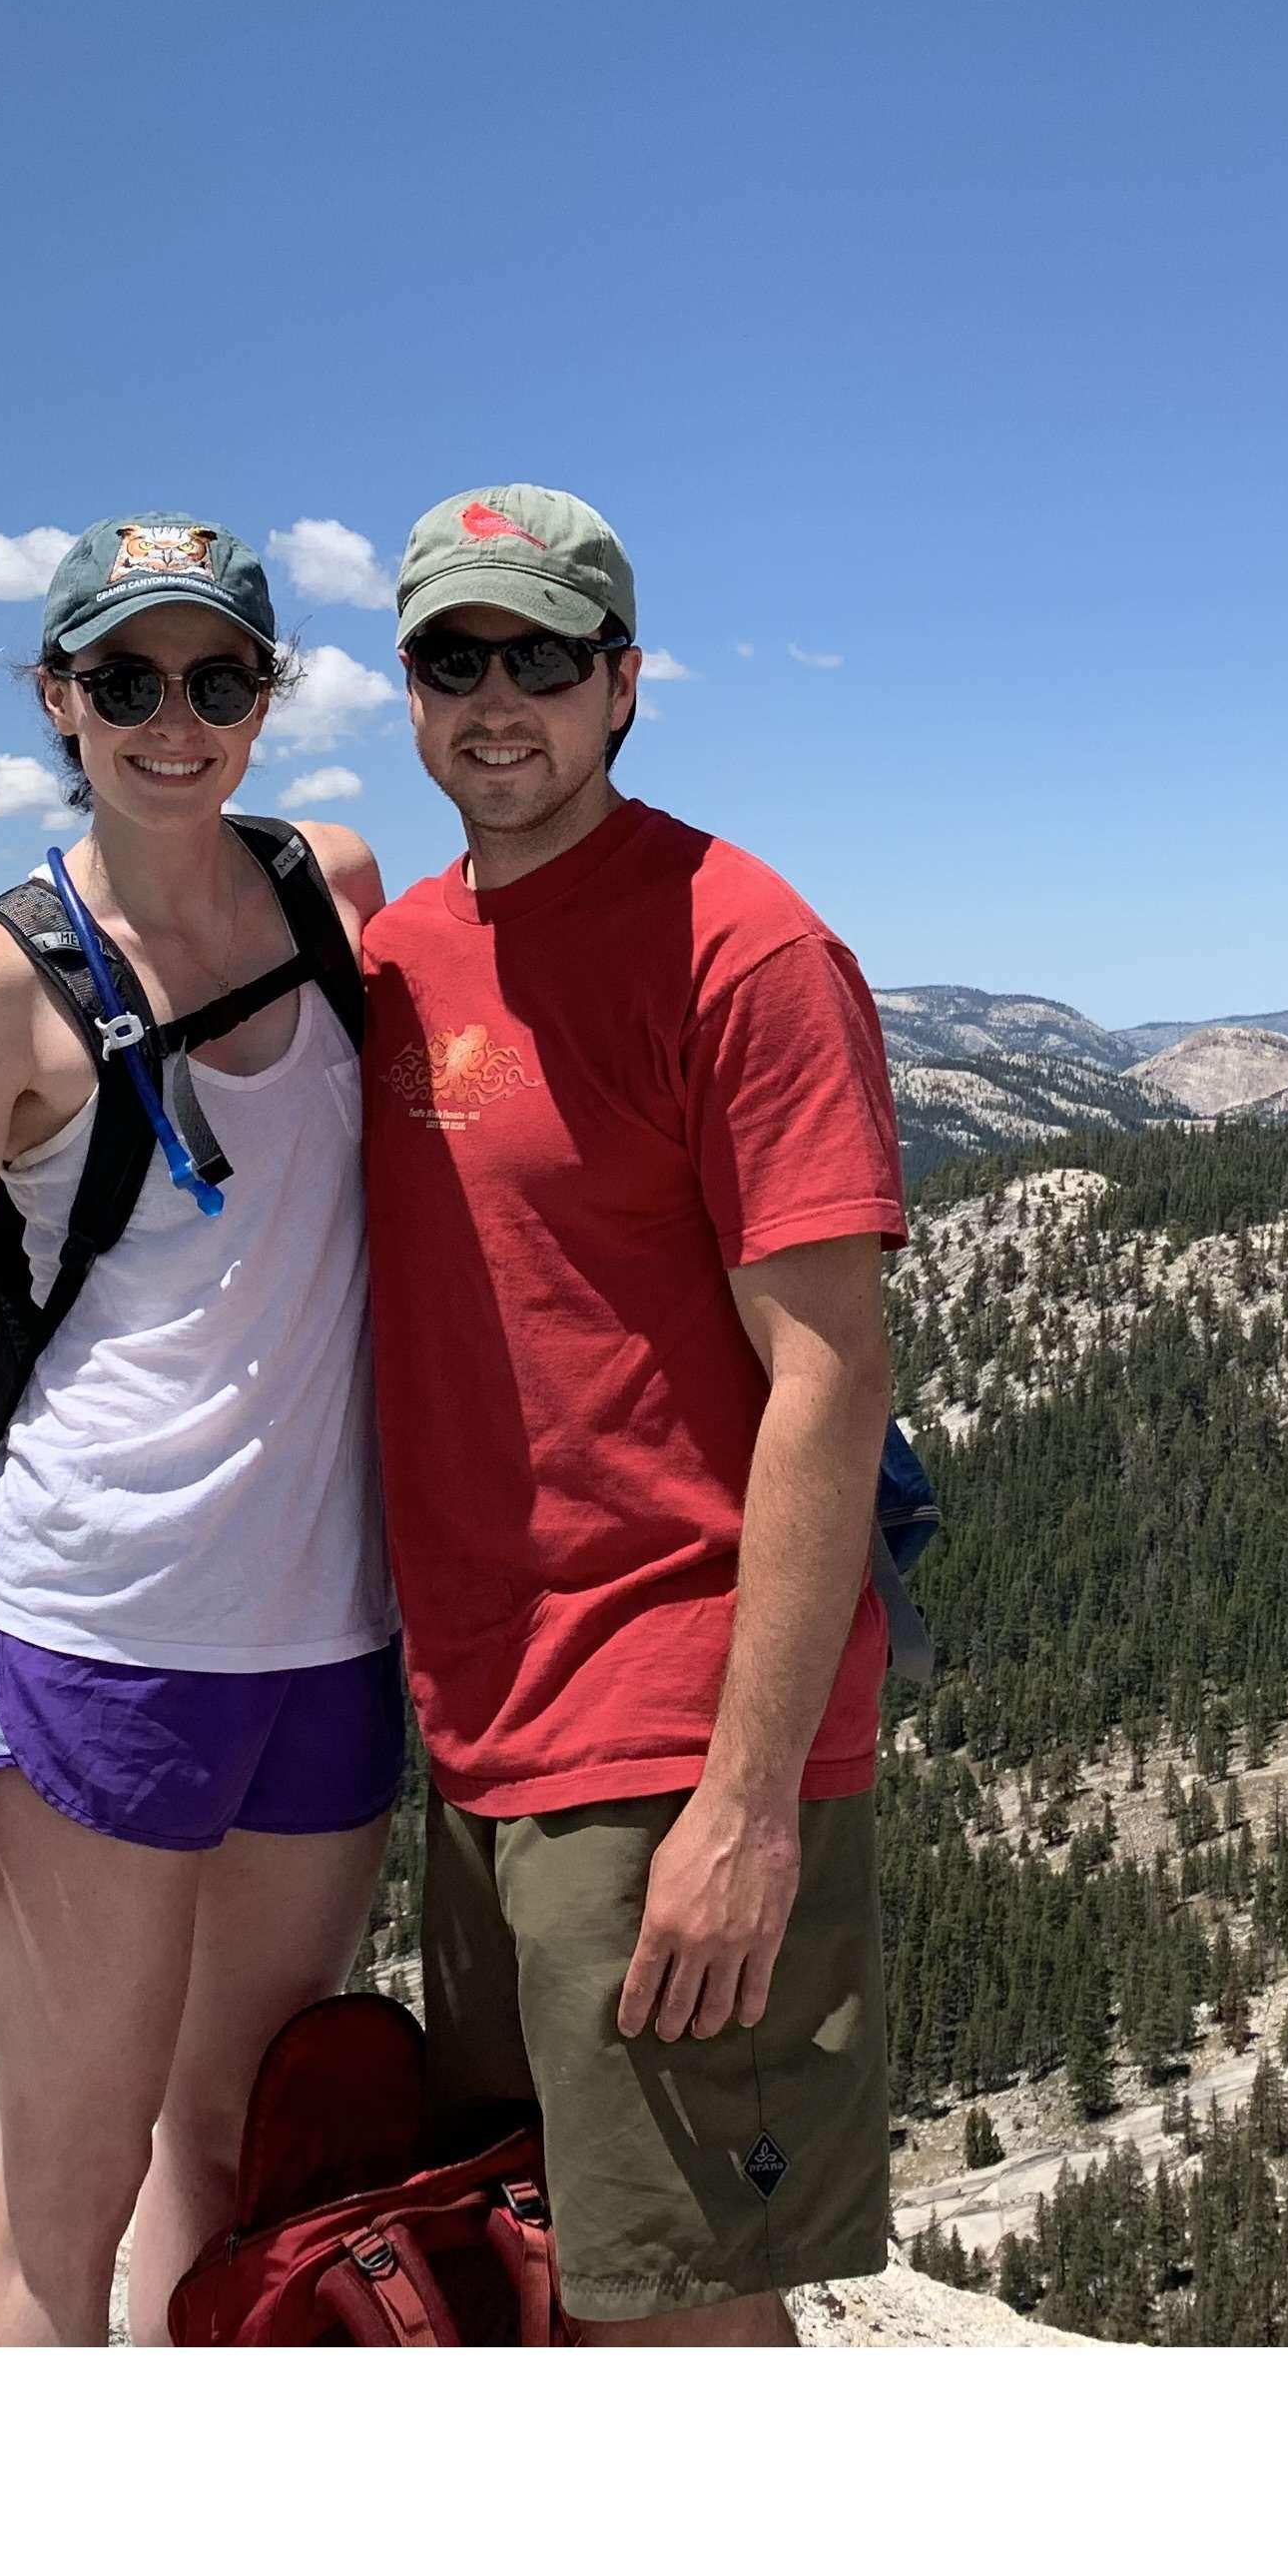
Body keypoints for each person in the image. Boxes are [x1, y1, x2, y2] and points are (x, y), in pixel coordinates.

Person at [360, 482, 906, 2343]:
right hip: (490, 1729)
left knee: (675, 2313)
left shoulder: (743, 947)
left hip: (671, 1721)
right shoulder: (402, 955)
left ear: (624, 684)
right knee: (547, 2268)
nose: (496, 697)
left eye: (542, 657)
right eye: (454, 656)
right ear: (408, 684)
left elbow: (831, 1376)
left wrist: (747, 1806)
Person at [0, 516, 398, 2345]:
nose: (176, 719)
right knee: (62, 2195)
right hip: (101, 1634)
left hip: (329, 1635)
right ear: (57, 702)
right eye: (127, 681)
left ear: (268, 697)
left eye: (220, 679)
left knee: (237, 2151)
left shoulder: (335, 886)